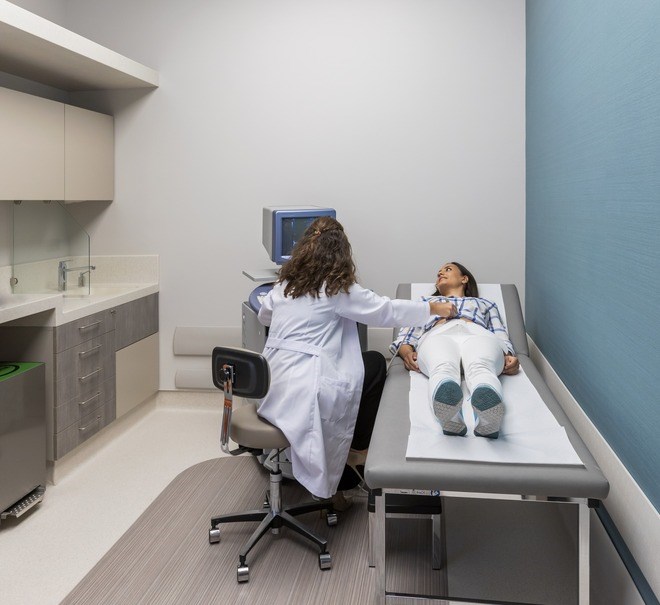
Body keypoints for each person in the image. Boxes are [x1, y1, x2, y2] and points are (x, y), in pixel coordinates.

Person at [257, 217, 453, 501]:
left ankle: (351, 456)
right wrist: (432, 308)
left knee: (366, 365)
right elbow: (386, 311)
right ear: (340, 253)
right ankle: (357, 453)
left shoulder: (284, 285)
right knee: (374, 363)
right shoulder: (336, 289)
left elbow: (264, 316)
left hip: (271, 384)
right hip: (305, 386)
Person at [390, 262, 520, 439]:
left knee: (481, 366)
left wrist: (509, 356)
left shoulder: (485, 304)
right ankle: (451, 418)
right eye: (438, 272)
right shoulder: (426, 303)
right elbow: (406, 337)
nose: (440, 273)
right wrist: (406, 353)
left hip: (477, 334)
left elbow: (500, 334)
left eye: (448, 269)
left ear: (464, 279)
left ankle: (488, 419)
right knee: (442, 366)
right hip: (438, 334)